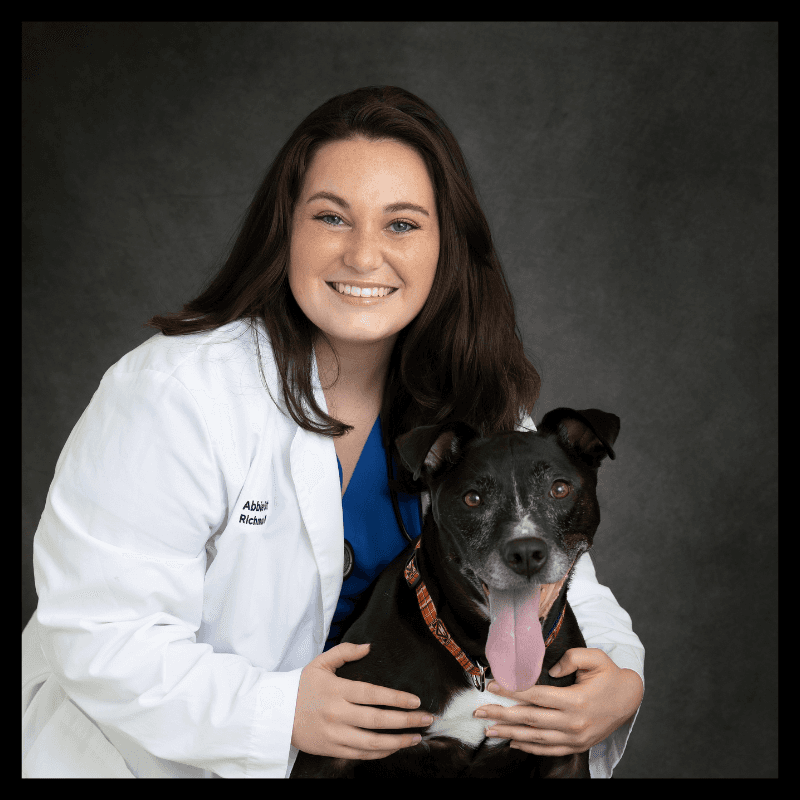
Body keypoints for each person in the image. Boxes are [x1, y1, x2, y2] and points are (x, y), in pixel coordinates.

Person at [22, 86, 644, 779]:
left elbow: (560, 579)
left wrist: (617, 683)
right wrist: (278, 711)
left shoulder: (478, 409)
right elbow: (98, 634)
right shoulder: (174, 393)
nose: (364, 256)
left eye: (402, 224)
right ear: (285, 228)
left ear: (448, 246)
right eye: (331, 218)